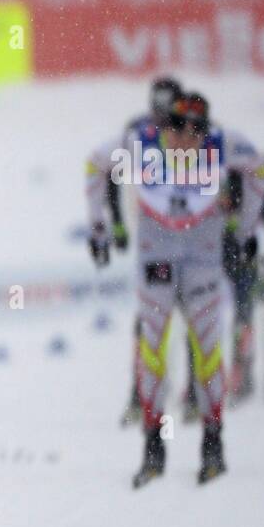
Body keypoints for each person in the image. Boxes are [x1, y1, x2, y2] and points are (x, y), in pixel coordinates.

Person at [110, 92, 264, 487]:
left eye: (197, 128)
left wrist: (245, 228)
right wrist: (107, 227)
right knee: (153, 351)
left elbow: (259, 170)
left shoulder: (222, 145)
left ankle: (213, 446)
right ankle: (153, 448)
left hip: (202, 264)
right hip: (156, 261)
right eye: (179, 125)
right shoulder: (141, 145)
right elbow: (97, 167)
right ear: (167, 126)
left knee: (207, 351)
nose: (187, 136)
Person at [84, 77, 181, 426]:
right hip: (152, 241)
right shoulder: (137, 133)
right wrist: (116, 226)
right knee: (149, 319)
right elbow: (106, 172)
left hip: (191, 241)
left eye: (168, 114)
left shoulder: (195, 132)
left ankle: (196, 396)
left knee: (194, 318)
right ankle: (140, 395)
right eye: (158, 113)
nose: (163, 122)